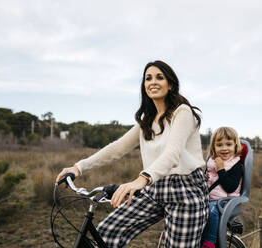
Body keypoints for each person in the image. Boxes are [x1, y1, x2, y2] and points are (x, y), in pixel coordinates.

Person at [56, 60, 208, 248]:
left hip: (185, 191)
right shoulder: (148, 120)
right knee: (105, 234)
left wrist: (141, 179)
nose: (153, 82)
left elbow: (172, 153)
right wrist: (79, 167)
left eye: (159, 77)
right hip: (155, 189)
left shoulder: (182, 112)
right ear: (144, 86)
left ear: (170, 85)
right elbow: (117, 148)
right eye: (148, 78)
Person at [201, 127, 243, 248]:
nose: (224, 148)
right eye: (219, 145)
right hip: (211, 197)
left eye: (229, 144)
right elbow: (211, 180)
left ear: (235, 146)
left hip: (226, 201)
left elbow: (230, 187)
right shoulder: (211, 161)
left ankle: (210, 241)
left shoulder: (236, 164)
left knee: (212, 209)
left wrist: (220, 169)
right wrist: (205, 178)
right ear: (214, 147)